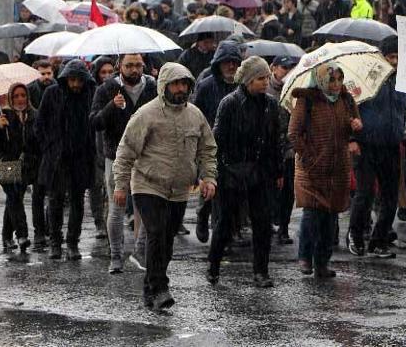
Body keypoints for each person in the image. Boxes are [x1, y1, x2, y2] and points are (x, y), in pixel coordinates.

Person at [113, 63, 217, 311]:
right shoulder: (146, 115)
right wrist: (120, 185)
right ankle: (161, 287)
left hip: (180, 189)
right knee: (156, 233)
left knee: (167, 241)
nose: (180, 89)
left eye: (184, 84)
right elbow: (126, 151)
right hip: (149, 185)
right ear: (164, 86)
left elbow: (207, 149)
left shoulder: (195, 115)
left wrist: (209, 177)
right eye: (175, 84)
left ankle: (150, 288)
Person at [207, 57, 282, 287]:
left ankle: (261, 271)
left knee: (262, 222)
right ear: (248, 80)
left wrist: (277, 170)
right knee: (225, 223)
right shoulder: (229, 103)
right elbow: (216, 139)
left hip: (260, 171)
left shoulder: (270, 104)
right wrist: (217, 171)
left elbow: (275, 140)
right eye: (260, 78)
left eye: (266, 78)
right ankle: (214, 267)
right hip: (232, 171)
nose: (264, 82)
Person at [288, 62, 363, 278]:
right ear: (321, 80)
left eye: (340, 79)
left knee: (330, 218)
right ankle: (305, 257)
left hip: (337, 168)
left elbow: (353, 128)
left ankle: (322, 262)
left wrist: (355, 127)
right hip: (311, 170)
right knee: (312, 214)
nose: (337, 84)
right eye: (332, 79)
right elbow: (293, 134)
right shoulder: (307, 100)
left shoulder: (346, 100)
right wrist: (310, 156)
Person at [90, 54, 157, 273]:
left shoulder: (153, 87)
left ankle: (140, 250)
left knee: (146, 206)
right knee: (117, 207)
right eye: (129, 65)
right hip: (117, 156)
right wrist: (111, 106)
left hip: (146, 155)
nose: (134, 70)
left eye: (138, 65)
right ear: (120, 66)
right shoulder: (107, 89)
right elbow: (95, 122)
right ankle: (116, 256)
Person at [348, 36, 406, 259]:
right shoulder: (368, 77)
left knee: (391, 196)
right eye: (390, 56)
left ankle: (379, 239)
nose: (394, 61)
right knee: (364, 193)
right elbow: (350, 107)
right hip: (367, 143)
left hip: (392, 144)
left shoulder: (405, 81)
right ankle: (355, 234)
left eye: (397, 57)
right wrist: (352, 138)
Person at [36, 60, 97, 261]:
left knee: (78, 201)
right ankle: (55, 242)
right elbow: (40, 124)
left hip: (81, 158)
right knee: (55, 200)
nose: (76, 85)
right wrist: (50, 147)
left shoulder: (90, 94)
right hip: (57, 158)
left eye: (79, 80)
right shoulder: (52, 94)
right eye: (72, 80)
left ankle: (72, 243)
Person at [192, 41, 243, 242]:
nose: (231, 66)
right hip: (210, 145)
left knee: (233, 192)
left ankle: (228, 232)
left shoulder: (242, 84)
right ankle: (203, 216)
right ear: (219, 63)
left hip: (236, 146)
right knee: (210, 187)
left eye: (235, 62)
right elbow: (196, 113)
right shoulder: (206, 86)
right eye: (227, 62)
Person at [0, 83, 41, 254]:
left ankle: (6, 235)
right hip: (7, 164)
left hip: (26, 165)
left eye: (23, 95)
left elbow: (36, 142)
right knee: (14, 198)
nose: (20, 99)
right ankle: (22, 235)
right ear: (11, 99)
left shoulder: (34, 115)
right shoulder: (3, 115)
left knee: (14, 199)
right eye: (16, 96)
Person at [266, 56, 299, 244]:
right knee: (270, 190)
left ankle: (284, 228)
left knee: (288, 191)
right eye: (284, 67)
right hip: (270, 149)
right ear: (274, 68)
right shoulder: (266, 88)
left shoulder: (296, 89)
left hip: (289, 149)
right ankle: (270, 221)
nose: (287, 71)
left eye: (291, 67)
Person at [89, 57, 115, 239]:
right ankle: (99, 221)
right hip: (93, 143)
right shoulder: (92, 91)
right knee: (96, 185)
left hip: (111, 141)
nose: (106, 76)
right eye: (103, 72)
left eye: (110, 72)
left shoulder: (117, 89)